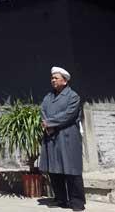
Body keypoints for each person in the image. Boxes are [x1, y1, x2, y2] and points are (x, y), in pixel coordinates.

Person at [39, 66, 86, 211]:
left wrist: (50, 123)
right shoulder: (48, 97)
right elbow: (43, 111)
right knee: (54, 169)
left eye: (56, 78)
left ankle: (77, 202)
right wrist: (47, 124)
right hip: (51, 137)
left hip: (67, 136)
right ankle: (61, 199)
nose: (53, 80)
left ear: (64, 81)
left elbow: (69, 115)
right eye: (52, 78)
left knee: (72, 170)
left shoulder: (73, 96)